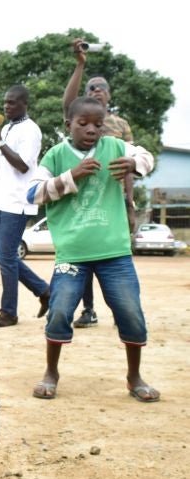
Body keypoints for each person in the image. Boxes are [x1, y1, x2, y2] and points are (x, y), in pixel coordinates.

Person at [27, 96, 159, 402]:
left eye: (98, 124)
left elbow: (147, 157)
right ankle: (51, 372)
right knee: (59, 311)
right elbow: (34, 193)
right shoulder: (57, 155)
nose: (91, 130)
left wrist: (134, 164)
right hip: (72, 254)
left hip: (115, 251)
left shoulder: (115, 146)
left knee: (130, 312)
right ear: (68, 125)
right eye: (83, 123)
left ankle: (134, 376)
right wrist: (72, 175)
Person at [62, 38, 135, 329]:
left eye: (100, 88)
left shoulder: (121, 124)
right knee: (85, 258)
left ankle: (122, 311)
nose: (95, 91)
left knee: (115, 257)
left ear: (109, 95)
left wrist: (130, 203)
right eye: (91, 88)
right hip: (83, 198)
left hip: (113, 199)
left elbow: (129, 164)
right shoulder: (78, 118)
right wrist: (80, 65)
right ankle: (88, 309)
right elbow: (68, 104)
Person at [0, 85, 50, 327]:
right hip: (1, 201)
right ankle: (44, 291)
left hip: (18, 202)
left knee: (6, 256)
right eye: (5, 102)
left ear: (24, 104)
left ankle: (9, 312)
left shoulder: (31, 131)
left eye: (12, 103)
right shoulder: (9, 127)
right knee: (0, 256)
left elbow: (23, 166)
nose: (6, 106)